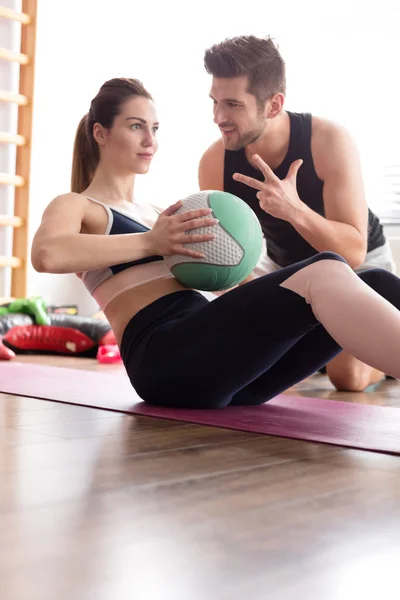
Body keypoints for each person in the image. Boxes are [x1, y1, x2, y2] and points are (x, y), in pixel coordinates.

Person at [31, 77, 400, 410]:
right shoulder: (79, 206)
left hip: (227, 368)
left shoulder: (163, 211)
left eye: (155, 129)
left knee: (375, 281)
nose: (150, 141)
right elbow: (47, 254)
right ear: (100, 133)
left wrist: (278, 290)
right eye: (136, 126)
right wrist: (152, 242)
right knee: (326, 269)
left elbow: (237, 286)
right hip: (164, 360)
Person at [198, 34, 396, 393]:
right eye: (214, 102)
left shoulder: (328, 139)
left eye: (231, 104)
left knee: (347, 379)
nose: (218, 117)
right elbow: (227, 263)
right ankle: (320, 342)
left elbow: (353, 251)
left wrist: (294, 210)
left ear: (273, 105)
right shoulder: (215, 162)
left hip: (361, 264)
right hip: (288, 268)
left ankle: (376, 362)